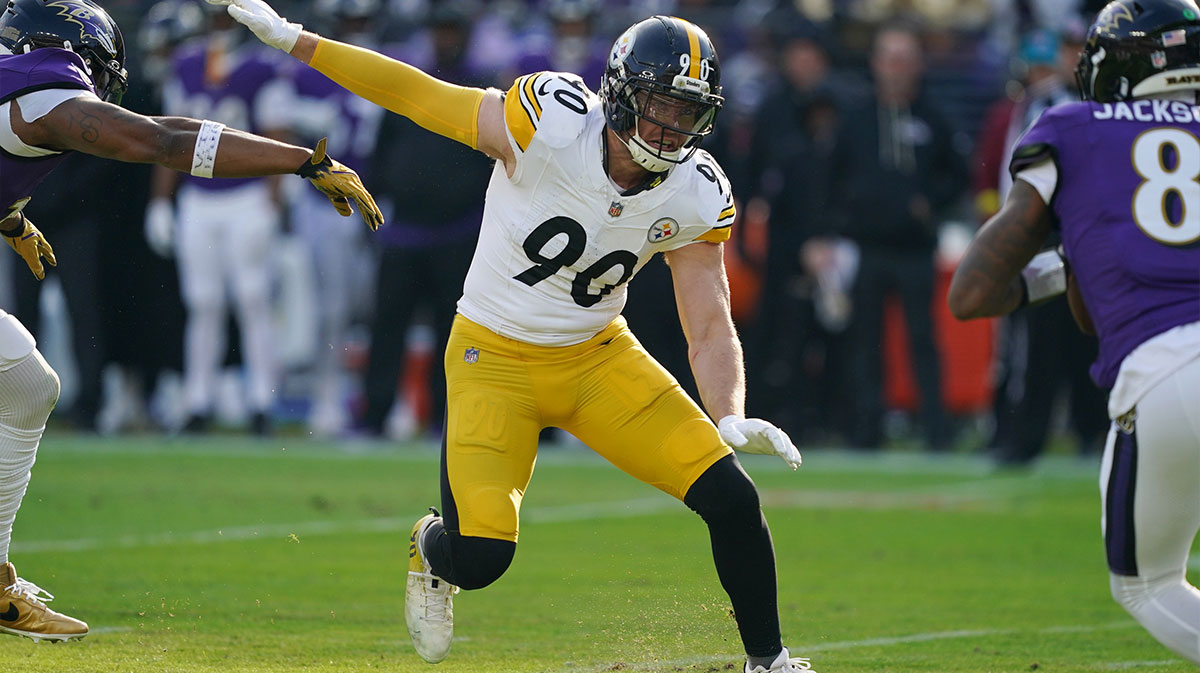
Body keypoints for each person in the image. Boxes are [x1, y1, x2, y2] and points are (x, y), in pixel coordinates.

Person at [214, 1, 814, 671]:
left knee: (732, 496)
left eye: (689, 111)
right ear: (621, 93)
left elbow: (708, 321)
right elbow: (416, 93)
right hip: (493, 355)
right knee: (481, 557)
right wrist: (297, 41)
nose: (673, 126)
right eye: (660, 105)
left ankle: (770, 661)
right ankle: (430, 545)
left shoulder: (696, 191)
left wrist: (727, 412)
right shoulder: (551, 123)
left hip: (597, 359)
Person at [0, 0, 380, 643]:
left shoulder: (18, 86)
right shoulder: (43, 91)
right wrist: (301, 161)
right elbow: (162, 142)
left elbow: (150, 127)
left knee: (28, 385)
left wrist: (9, 217)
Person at [948, 0, 1200, 663]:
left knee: (1148, 583)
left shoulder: (1074, 127)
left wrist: (1063, 266)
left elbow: (971, 294)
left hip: (1169, 367)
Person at [147, 3, 297, 435]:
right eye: (214, 16)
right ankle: (198, 401)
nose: (219, 25)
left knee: (252, 298)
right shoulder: (186, 64)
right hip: (199, 197)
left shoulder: (263, 67)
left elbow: (277, 134)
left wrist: (274, 199)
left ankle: (261, 402)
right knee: (203, 301)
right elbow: (166, 139)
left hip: (247, 194)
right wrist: (161, 201)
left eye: (225, 16)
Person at [971, 27, 1107, 467]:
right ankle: (1026, 435)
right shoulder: (1018, 109)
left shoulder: (1071, 107)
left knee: (1078, 336)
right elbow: (993, 175)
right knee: (1034, 343)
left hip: (1066, 233)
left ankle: (1089, 430)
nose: (1041, 74)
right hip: (1034, 236)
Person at [829, 23, 968, 451]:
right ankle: (865, 433)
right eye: (890, 58)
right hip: (867, 247)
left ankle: (936, 432)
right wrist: (842, 222)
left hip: (915, 249)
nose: (897, 67)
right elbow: (832, 176)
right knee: (865, 343)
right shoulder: (854, 118)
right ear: (875, 63)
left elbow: (958, 175)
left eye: (905, 59)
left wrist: (930, 204)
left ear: (918, 65)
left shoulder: (934, 117)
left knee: (923, 340)